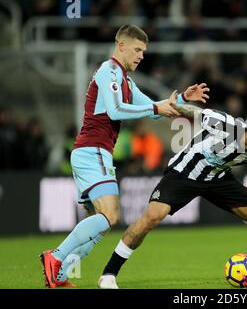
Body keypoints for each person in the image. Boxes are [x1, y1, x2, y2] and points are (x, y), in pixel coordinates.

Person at [97, 104, 247, 289]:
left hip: (218, 178)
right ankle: (108, 273)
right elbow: (196, 112)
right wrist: (176, 105)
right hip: (185, 173)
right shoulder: (228, 126)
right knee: (152, 217)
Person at [40, 24, 209, 288]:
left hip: (95, 153)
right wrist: (155, 106)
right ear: (121, 46)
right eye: (137, 49)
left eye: (144, 51)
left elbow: (152, 109)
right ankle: (56, 258)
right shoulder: (109, 72)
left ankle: (59, 274)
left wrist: (180, 99)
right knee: (110, 216)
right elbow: (117, 110)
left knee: (101, 223)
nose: (141, 55)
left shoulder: (125, 80)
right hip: (92, 151)